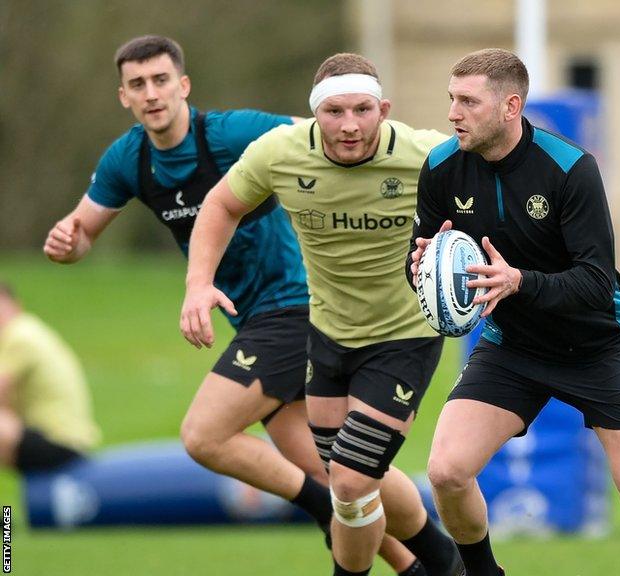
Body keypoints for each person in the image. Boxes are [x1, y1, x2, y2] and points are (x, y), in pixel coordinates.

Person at [42, 36, 421, 575]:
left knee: (204, 436)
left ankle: (322, 512)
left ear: (183, 86)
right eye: (138, 85)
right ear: (123, 96)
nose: (151, 94)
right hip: (250, 320)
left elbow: (317, 132)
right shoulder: (129, 158)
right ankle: (430, 563)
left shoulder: (230, 132)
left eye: (161, 80)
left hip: (294, 308)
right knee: (343, 474)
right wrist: (67, 244)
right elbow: (82, 235)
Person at [408, 48, 620, 576]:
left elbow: (595, 283)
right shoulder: (440, 169)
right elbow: (424, 258)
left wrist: (518, 281)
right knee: (447, 472)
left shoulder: (570, 168)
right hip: (513, 348)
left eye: (468, 102)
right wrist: (422, 270)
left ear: (510, 106)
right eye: (451, 99)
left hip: (597, 347)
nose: (453, 113)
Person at [180, 52, 463, 576]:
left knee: (353, 482)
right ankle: (442, 561)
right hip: (328, 335)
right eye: (334, 112)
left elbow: (492, 201)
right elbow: (221, 206)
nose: (350, 126)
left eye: (362, 110)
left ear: (384, 109)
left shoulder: (428, 155)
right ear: (314, 114)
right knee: (347, 481)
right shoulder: (280, 153)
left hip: (404, 337)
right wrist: (199, 284)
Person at [0, 282, 100, 473]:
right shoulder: (30, 329)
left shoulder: (18, 335)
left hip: (58, 444)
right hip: (70, 441)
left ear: (16, 306)